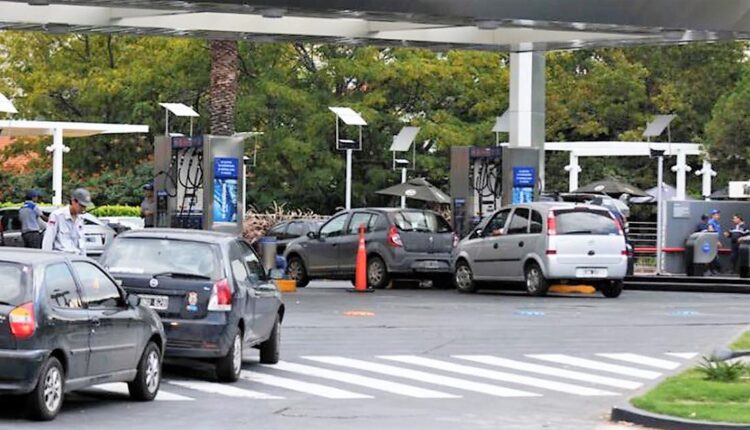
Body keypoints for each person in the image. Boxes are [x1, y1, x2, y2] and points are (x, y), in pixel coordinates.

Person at [42, 188, 94, 256]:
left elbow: (82, 244)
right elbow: (48, 240)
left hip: (76, 257)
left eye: (85, 207)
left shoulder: (80, 218)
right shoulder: (57, 215)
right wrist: (46, 256)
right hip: (61, 257)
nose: (83, 209)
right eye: (81, 206)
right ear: (73, 201)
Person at [707, 209, 723, 274]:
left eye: (718, 215)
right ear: (713, 215)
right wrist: (717, 241)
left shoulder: (717, 223)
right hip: (712, 241)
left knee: (714, 255)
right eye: (717, 215)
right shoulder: (711, 222)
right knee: (712, 255)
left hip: (715, 241)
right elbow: (711, 231)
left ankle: (713, 270)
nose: (718, 216)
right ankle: (711, 270)